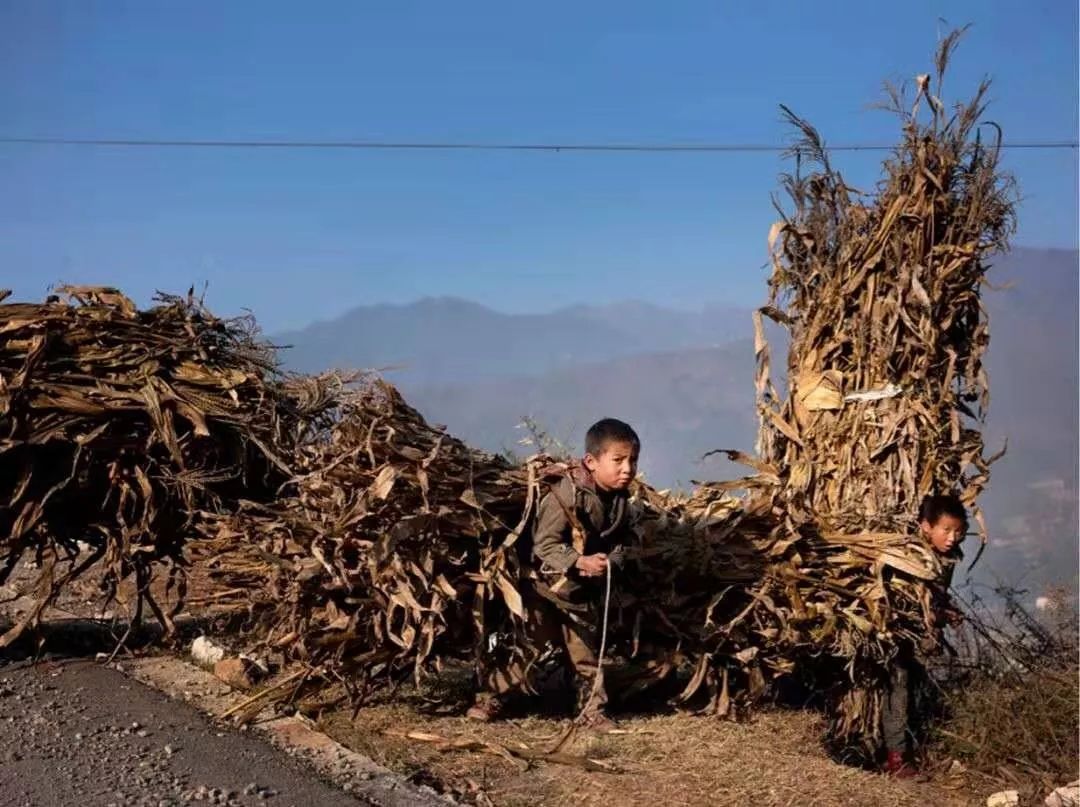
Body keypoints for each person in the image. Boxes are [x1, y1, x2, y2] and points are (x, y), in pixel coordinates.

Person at [467, 418, 640, 728]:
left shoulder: (621, 503)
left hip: (580, 596)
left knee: (586, 655)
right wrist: (579, 561)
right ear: (591, 461)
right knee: (529, 650)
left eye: (632, 460)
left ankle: (592, 711)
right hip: (545, 590)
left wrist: (611, 561)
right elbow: (544, 544)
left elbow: (624, 544)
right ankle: (490, 697)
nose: (627, 469)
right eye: (618, 460)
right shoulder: (566, 493)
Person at [882, 493, 967, 776]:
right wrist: (933, 615)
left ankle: (911, 752)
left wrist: (946, 611)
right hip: (896, 635)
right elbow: (905, 602)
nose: (952, 538)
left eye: (958, 531)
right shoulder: (910, 557)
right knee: (898, 690)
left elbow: (935, 599)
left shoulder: (947, 558)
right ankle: (896, 759)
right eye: (946, 530)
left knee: (914, 692)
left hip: (920, 639)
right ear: (926, 526)